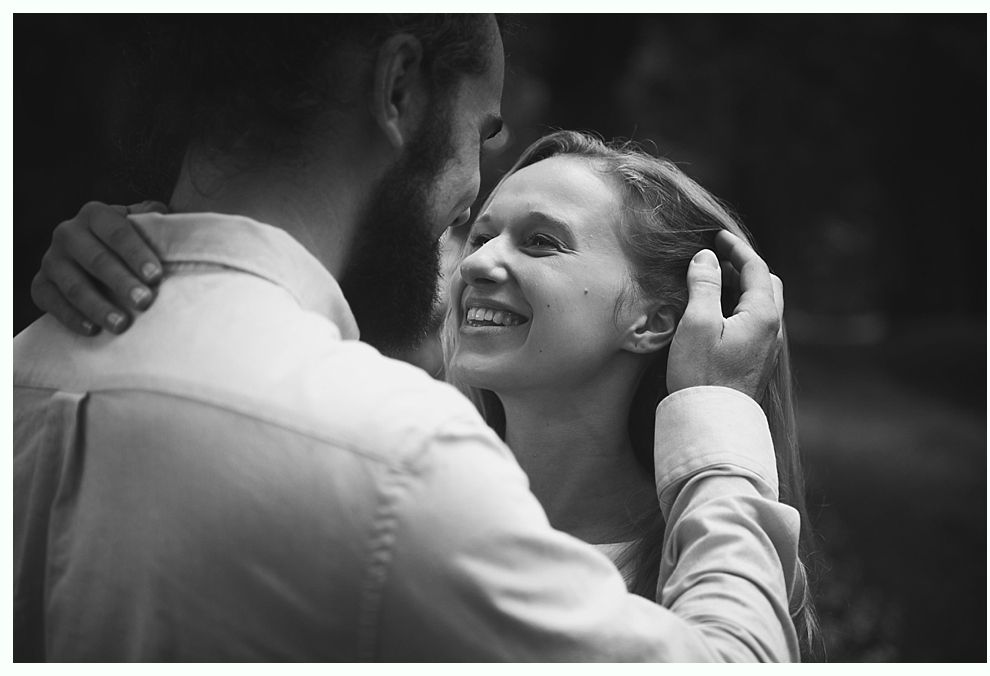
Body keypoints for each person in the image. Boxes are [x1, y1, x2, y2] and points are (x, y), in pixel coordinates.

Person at [16, 15, 800, 661]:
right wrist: (719, 426)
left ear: (656, 317)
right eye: (480, 138)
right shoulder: (401, 459)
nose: (473, 258)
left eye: (541, 241)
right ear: (398, 90)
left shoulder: (33, 359)